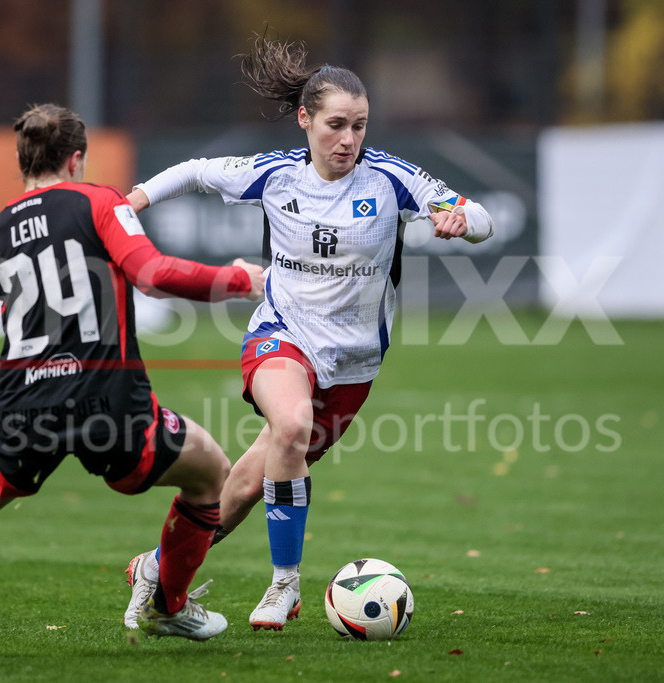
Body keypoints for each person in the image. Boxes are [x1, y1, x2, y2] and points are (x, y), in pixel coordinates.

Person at [0, 103, 265, 664]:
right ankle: (167, 605)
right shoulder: (99, 201)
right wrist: (238, 278)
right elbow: (151, 273)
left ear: (23, 162)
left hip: (26, 404)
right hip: (106, 400)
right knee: (210, 472)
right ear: (76, 158)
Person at [122, 36, 494, 632]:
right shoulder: (275, 175)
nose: (348, 139)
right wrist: (130, 204)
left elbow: (482, 217)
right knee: (292, 426)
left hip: (354, 363)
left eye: (359, 126)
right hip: (281, 333)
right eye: (336, 125)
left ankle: (158, 569)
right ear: (305, 120)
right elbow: (194, 172)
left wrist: (460, 220)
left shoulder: (391, 180)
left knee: (246, 484)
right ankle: (285, 584)